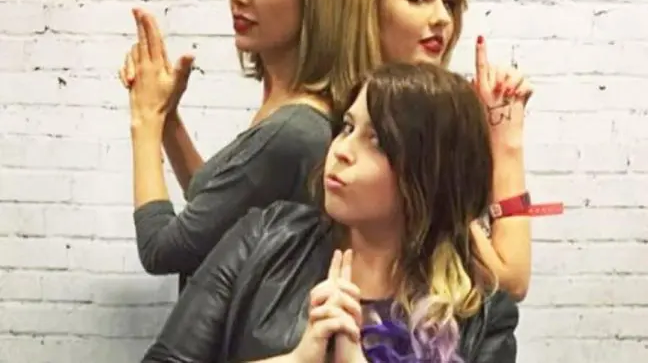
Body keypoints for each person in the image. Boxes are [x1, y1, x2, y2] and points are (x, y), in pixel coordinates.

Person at [140, 62, 518, 363]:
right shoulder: (265, 238)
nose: (341, 150)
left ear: (431, 173)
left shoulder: (483, 318)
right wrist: (296, 360)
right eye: (348, 127)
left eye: (376, 141)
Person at [117, 0, 347, 289]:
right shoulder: (285, 108)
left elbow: (161, 249)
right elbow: (213, 198)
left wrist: (145, 122)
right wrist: (169, 118)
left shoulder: (293, 130)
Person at [331, 0, 562, 301]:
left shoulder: (433, 126)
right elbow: (509, 280)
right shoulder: (328, 134)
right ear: (369, 8)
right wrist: (505, 145)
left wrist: (503, 137)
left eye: (450, 2)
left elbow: (508, 283)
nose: (441, 17)